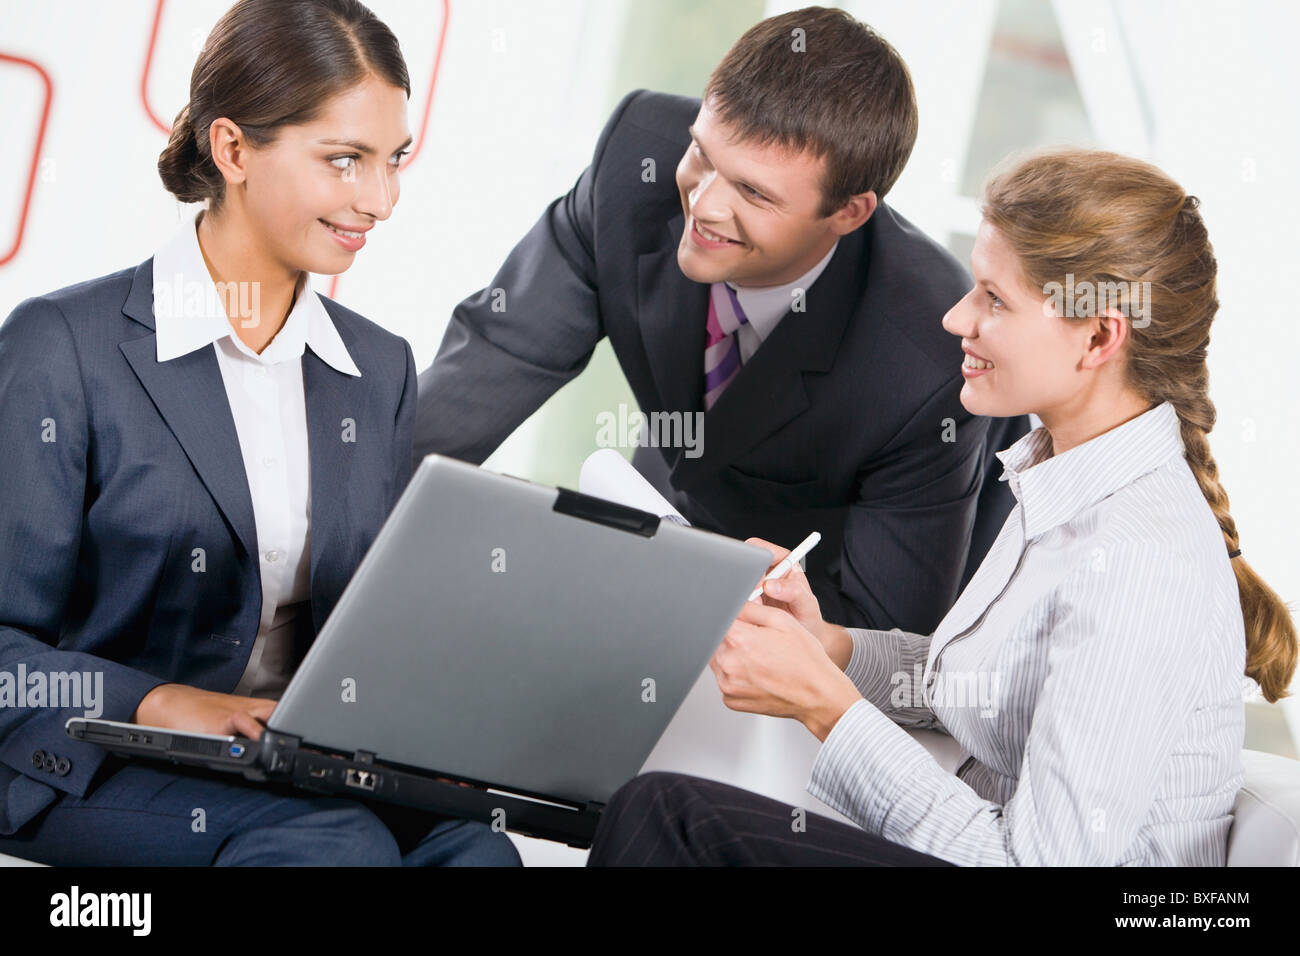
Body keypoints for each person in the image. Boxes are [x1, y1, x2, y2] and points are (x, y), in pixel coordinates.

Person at [585, 147, 1298, 866]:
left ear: (1100, 336)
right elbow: (992, 685)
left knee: (667, 817)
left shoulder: (1140, 559)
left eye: (994, 298)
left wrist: (823, 705)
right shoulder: (1063, 476)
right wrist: (829, 646)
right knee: (660, 802)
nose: (957, 317)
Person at [0, 0, 519, 866]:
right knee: (334, 845)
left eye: (393, 161)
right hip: (89, 759)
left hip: (291, 762)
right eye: (344, 161)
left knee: (475, 851)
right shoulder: (64, 347)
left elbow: (356, 623)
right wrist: (161, 701)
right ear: (234, 149)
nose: (381, 200)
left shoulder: (376, 367)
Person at [413, 6, 1030, 633]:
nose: (702, 208)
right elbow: (496, 353)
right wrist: (344, 522)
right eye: (702, 156)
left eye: (755, 193)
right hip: (661, 518)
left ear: (848, 212)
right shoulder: (636, 162)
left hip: (821, 608)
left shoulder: (925, 353)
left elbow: (882, 631)